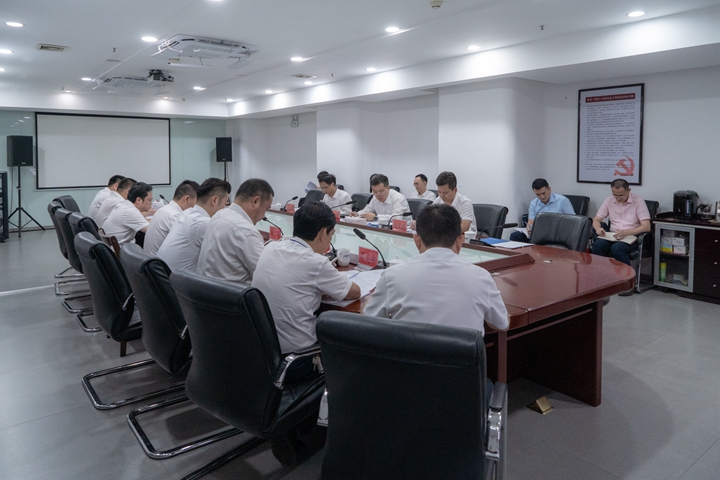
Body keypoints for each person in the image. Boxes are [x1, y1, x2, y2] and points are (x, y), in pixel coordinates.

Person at [364, 203, 509, 336]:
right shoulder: (481, 277)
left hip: (410, 357)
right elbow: (502, 324)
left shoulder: (392, 276)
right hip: (462, 357)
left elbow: (368, 321)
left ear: (417, 240)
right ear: (460, 240)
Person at [252, 202, 361, 363]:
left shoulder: (271, 248)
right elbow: (355, 292)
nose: (328, 242)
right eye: (331, 235)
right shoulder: (316, 262)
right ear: (323, 233)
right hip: (299, 356)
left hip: (262, 349)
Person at [196, 178, 274, 285]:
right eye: (266, 209)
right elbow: (267, 276)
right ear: (256, 201)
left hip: (205, 288)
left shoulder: (218, 215)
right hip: (232, 293)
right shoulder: (246, 231)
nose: (264, 216)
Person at [157, 178, 231, 271]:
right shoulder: (203, 223)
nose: (223, 208)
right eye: (225, 203)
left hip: (162, 274)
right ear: (215, 200)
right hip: (176, 278)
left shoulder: (186, 213)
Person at [591, 178, 651, 275]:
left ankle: (626, 278)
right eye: (615, 195)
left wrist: (627, 233)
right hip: (613, 235)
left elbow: (646, 226)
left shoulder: (638, 201)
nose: (618, 198)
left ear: (629, 190)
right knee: (598, 245)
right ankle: (600, 275)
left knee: (617, 248)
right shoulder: (609, 200)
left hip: (631, 236)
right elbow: (596, 220)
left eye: (621, 195)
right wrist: (598, 229)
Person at [509, 178, 575, 242]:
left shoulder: (562, 200)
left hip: (557, 232)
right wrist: (529, 228)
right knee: (515, 236)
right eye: (538, 195)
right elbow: (531, 222)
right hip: (539, 233)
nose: (542, 197)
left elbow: (573, 221)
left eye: (543, 193)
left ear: (549, 189)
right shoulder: (534, 203)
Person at [143, 180, 200, 255]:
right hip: (158, 260)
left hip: (151, 258)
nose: (196, 206)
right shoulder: (174, 216)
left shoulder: (164, 209)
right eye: (196, 202)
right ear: (187, 199)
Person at [101, 182, 153, 246]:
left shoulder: (124, 205)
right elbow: (151, 231)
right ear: (138, 200)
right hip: (122, 250)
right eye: (149, 200)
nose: (151, 203)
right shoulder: (130, 211)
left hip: (114, 247)